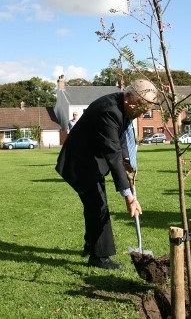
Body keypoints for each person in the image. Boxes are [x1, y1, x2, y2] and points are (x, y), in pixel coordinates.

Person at [55, 79, 158, 270]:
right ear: (129, 98)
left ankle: (90, 245)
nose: (143, 114)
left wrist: (128, 165)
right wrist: (128, 196)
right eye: (142, 108)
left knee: (93, 205)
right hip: (79, 164)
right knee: (98, 206)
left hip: (91, 161)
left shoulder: (123, 108)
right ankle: (99, 257)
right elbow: (113, 152)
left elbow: (122, 140)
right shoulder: (109, 110)